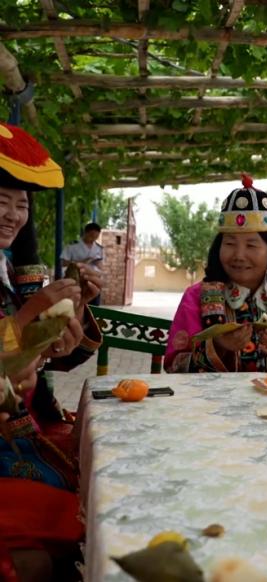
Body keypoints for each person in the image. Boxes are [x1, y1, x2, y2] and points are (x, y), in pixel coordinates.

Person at [0, 123, 103, 581]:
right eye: (1, 201)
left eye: (21, 205)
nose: (13, 215)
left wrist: (67, 318)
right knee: (86, 510)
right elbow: (11, 358)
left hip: (22, 423)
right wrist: (30, 319)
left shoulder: (9, 269)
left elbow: (44, 360)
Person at [164, 175, 267, 373]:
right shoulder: (195, 298)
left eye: (251, 245)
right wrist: (217, 346)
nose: (239, 255)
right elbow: (174, 365)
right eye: (230, 244)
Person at [61, 222, 103, 306]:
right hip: (76, 279)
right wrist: (83, 261)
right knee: (76, 304)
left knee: (93, 307)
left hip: (92, 281)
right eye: (91, 236)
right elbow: (63, 262)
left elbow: (100, 266)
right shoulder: (73, 246)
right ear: (86, 233)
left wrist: (97, 263)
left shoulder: (99, 248)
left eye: (96, 237)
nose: (93, 239)